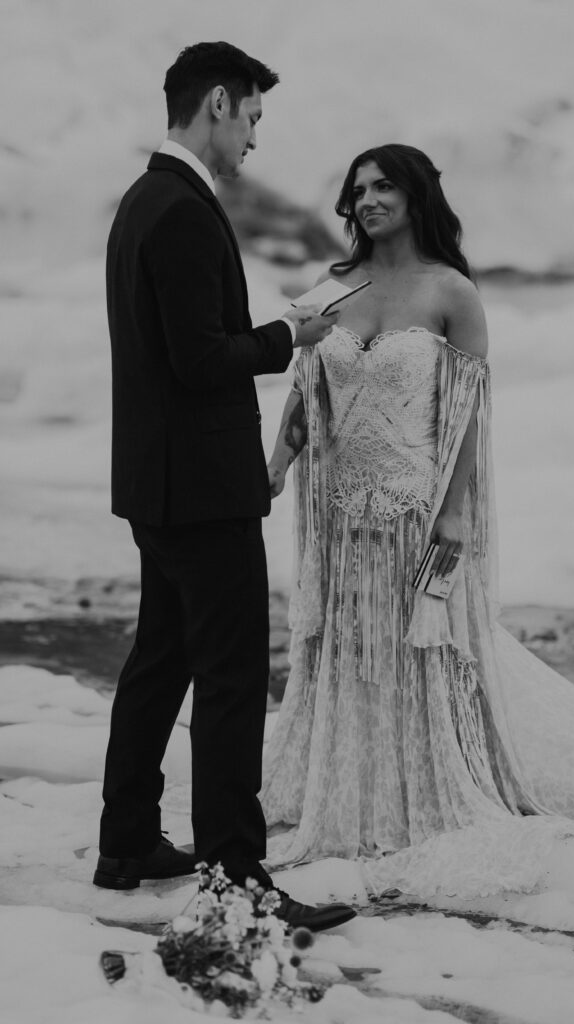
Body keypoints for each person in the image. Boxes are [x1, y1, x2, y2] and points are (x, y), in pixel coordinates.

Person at [261, 143, 574, 898]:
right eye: (357, 189)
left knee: (416, 651)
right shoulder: (330, 286)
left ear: (415, 194)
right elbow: (302, 390)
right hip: (337, 512)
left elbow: (468, 421)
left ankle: (416, 791)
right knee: (349, 645)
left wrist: (454, 511)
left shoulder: (450, 291)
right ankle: (350, 789)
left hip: (414, 512)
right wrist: (275, 465)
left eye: (384, 186)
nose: (367, 200)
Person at [95, 41, 355, 931]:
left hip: (159, 482)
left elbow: (172, 354)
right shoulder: (177, 209)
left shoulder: (146, 201)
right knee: (232, 675)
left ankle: (127, 842)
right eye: (250, 118)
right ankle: (237, 878)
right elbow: (202, 360)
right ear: (216, 103)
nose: (251, 140)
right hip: (201, 491)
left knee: (160, 660)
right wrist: (290, 332)